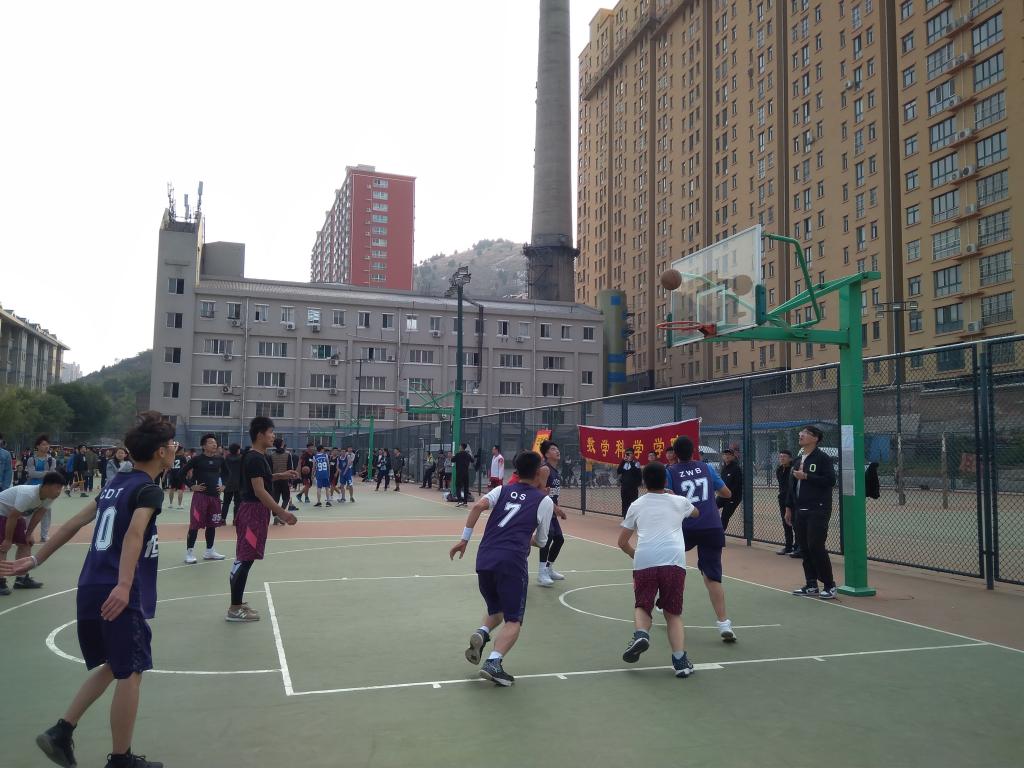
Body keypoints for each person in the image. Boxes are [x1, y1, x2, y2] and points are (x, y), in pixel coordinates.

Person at [1, 411, 175, 768]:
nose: (176, 448)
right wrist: (124, 585)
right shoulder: (148, 490)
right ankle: (121, 759)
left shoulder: (115, 485)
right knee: (132, 670)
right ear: (160, 452)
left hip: (91, 584)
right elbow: (134, 533)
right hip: (116, 587)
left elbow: (72, 524)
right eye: (172, 443)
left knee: (114, 665)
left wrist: (36, 559)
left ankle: (61, 731)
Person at [449, 450, 554, 686]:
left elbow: (477, 507)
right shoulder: (544, 501)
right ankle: (493, 662)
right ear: (538, 473)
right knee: (514, 619)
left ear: (516, 470)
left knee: (496, 608)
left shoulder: (502, 490)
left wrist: (464, 540)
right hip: (512, 562)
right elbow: (542, 541)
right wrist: (525, 538)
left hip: (485, 558)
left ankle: (482, 632)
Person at [618, 462, 700, 678]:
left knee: (642, 605)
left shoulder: (636, 505)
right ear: (665, 480)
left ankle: (641, 634)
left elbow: (622, 542)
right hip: (673, 561)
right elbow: (696, 513)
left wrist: (635, 555)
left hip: (645, 559)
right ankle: (680, 662)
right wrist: (675, 498)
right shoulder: (679, 501)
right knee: (673, 614)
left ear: (643, 482)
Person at [667, 436, 737, 643]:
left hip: (685, 527)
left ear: (675, 454)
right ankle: (724, 623)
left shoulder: (670, 471)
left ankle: (665, 602)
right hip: (711, 526)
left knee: (669, 565)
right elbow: (727, 493)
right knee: (712, 576)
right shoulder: (706, 468)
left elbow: (666, 497)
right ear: (694, 452)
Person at [228, 417, 297, 622]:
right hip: (252, 512)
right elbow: (259, 490)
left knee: (245, 558)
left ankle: (237, 603)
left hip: (254, 511)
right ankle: (234, 608)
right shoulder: (255, 458)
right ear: (260, 435)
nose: (273, 436)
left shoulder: (257, 457)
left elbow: (261, 480)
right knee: (245, 559)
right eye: (271, 432)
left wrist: (281, 475)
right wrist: (281, 512)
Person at [786, 426, 838, 599]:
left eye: (806, 433)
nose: (801, 434)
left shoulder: (823, 458)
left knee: (816, 546)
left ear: (815, 438)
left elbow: (830, 480)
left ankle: (829, 585)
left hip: (818, 509)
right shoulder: (798, 460)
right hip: (799, 510)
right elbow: (792, 486)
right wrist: (789, 507)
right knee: (804, 548)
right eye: (801, 432)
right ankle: (811, 584)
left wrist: (807, 476)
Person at [0, 472, 63, 594]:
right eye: (57, 487)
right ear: (47, 486)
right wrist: (8, 540)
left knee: (26, 543)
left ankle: (21, 579)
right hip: (2, 513)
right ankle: (0, 581)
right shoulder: (28, 494)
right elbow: (12, 517)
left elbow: (39, 514)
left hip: (16, 516)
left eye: (61, 488)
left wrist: (29, 534)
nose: (59, 492)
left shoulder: (49, 496)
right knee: (3, 547)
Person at [182, 434, 228, 565]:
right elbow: (181, 473)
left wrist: (224, 485)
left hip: (215, 497)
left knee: (212, 525)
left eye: (215, 442)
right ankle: (189, 553)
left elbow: (227, 473)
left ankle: (209, 551)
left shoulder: (220, 459)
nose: (214, 444)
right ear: (203, 446)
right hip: (200, 498)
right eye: (210, 442)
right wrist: (191, 486)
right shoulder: (197, 459)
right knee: (194, 525)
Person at [536, 440, 569, 586]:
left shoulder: (555, 471)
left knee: (559, 539)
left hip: (552, 509)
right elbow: (540, 492)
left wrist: (557, 508)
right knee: (548, 537)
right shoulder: (545, 469)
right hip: (544, 509)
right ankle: (541, 573)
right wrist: (556, 509)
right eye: (553, 449)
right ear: (546, 454)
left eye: (557, 448)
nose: (557, 451)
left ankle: (548, 568)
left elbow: (553, 494)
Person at [26, 435, 58, 541]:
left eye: (47, 444)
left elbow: (52, 474)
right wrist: (46, 473)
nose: (46, 446)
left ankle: (44, 535)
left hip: (47, 489)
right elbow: (32, 474)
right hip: (32, 489)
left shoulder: (52, 460)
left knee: (46, 512)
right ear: (38, 446)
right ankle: (26, 533)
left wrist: (42, 474)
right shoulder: (31, 459)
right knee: (29, 512)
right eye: (43, 444)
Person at [776, 450, 797, 555]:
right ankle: (788, 547)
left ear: (790, 458)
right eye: (780, 456)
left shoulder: (793, 469)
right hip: (782, 499)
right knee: (786, 523)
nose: (782, 458)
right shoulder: (779, 470)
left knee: (795, 523)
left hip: (793, 500)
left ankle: (798, 547)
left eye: (784, 456)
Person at [717, 449, 744, 531]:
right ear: (722, 456)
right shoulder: (724, 468)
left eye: (729, 454)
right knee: (711, 507)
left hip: (733, 498)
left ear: (733, 456)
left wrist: (727, 493)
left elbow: (737, 484)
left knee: (724, 517)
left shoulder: (736, 468)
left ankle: (720, 535)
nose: (727, 456)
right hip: (723, 496)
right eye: (725, 454)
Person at [269, 438, 296, 513]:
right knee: (286, 498)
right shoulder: (288, 454)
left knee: (275, 498)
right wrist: (290, 480)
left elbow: (270, 469)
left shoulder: (271, 455)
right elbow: (290, 468)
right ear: (282, 444)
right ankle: (280, 512)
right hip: (285, 479)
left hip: (275, 479)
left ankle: (275, 513)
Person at [616, 448, 643, 518]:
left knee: (633, 503)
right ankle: (625, 518)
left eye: (629, 454)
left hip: (632, 488)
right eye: (626, 454)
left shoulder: (636, 463)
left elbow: (636, 472)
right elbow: (619, 471)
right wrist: (623, 461)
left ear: (633, 454)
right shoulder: (624, 463)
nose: (627, 455)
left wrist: (630, 461)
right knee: (624, 503)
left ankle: (633, 519)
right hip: (624, 487)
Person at [222, 443, 243, 525]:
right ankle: (235, 520)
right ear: (237, 450)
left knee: (226, 503)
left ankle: (223, 519)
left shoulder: (226, 458)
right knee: (237, 503)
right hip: (238, 483)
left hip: (228, 482)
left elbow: (223, 471)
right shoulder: (242, 458)